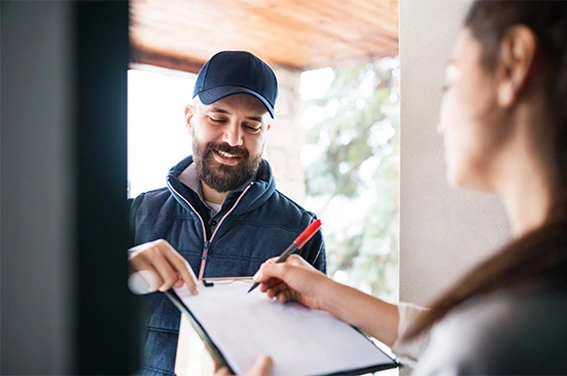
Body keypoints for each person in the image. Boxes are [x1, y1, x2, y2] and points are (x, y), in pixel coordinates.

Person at [242, 1, 567, 375]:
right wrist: (326, 295)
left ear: (513, 64)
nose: (441, 121)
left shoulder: (496, 340)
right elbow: (444, 334)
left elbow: (466, 343)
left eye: (451, 80)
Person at [128, 50, 327, 375]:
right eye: (218, 119)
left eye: (251, 125)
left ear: (266, 132)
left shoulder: (300, 229)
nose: (233, 139)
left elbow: (315, 357)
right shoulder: (138, 213)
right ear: (190, 118)